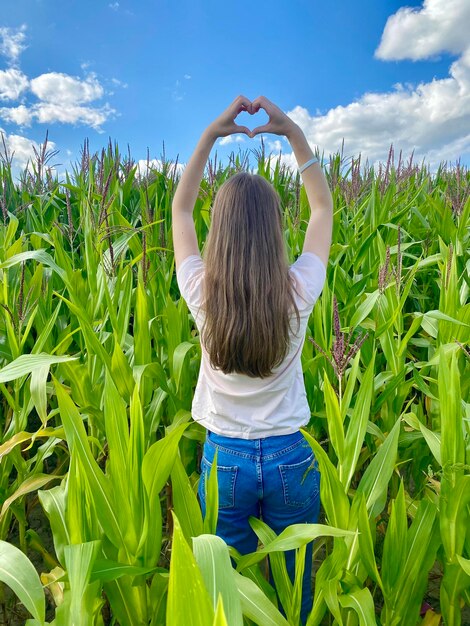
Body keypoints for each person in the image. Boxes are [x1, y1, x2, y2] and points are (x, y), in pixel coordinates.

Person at [173, 95, 333, 624]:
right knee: (295, 589)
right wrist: (292, 135)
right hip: (291, 456)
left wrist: (211, 135)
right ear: (273, 234)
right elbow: (322, 208)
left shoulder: (201, 292)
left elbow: (180, 207)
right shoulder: (298, 291)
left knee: (228, 590)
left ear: (218, 232)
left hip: (225, 461)